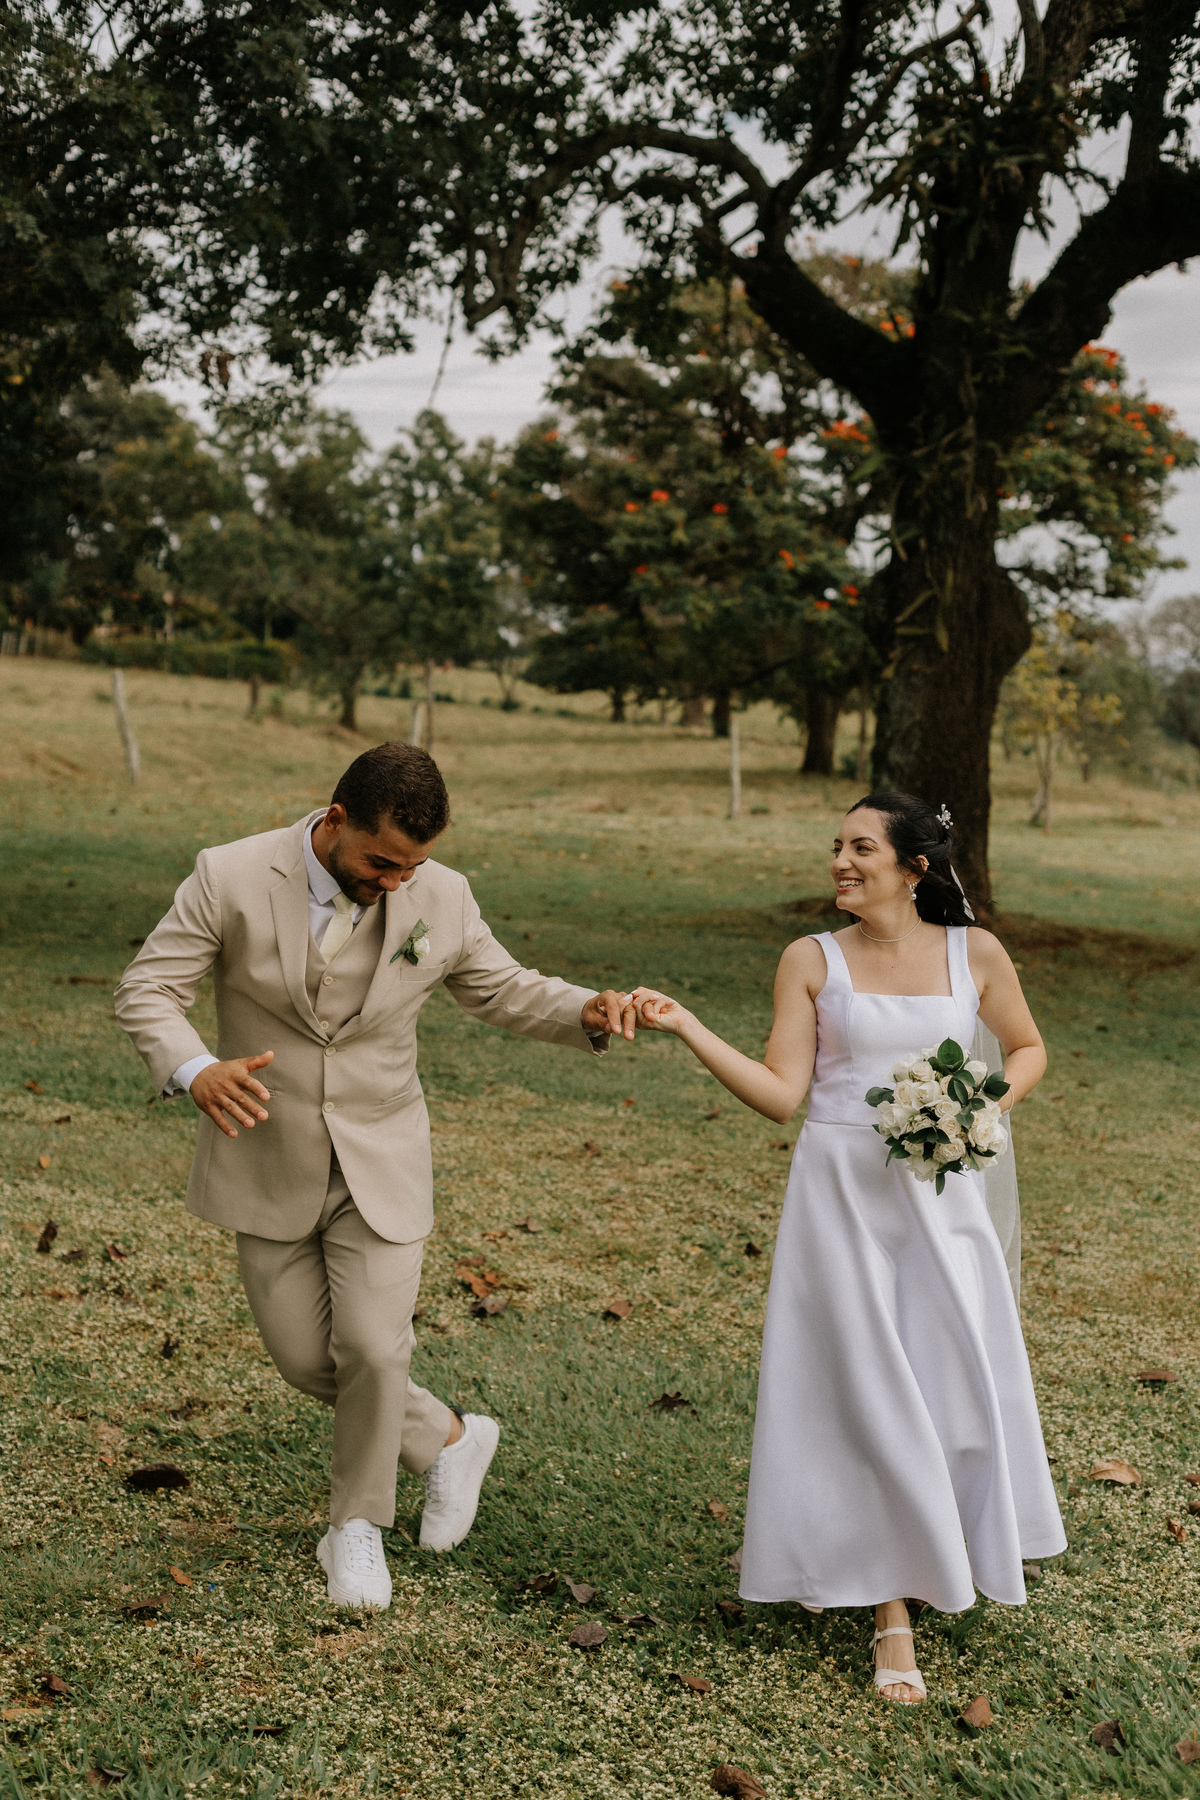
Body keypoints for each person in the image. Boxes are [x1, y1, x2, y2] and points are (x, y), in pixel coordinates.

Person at [115, 742, 635, 1610]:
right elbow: (147, 989)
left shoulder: (442, 895)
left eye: (412, 868)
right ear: (335, 820)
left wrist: (584, 1007)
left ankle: (355, 1528)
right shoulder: (229, 875)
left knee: (372, 1347)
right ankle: (448, 1437)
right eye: (381, 863)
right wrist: (196, 1068)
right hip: (266, 1155)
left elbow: (502, 989)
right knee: (306, 1359)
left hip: (383, 1157)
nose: (395, 882)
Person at [631, 792, 1066, 1705]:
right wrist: (687, 1026)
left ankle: (946, 1544)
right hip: (840, 1197)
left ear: (913, 868)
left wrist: (974, 1110)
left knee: (946, 1378)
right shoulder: (811, 959)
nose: (841, 861)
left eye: (861, 847)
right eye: (836, 845)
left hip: (940, 1196)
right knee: (868, 1389)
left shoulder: (975, 953)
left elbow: (1026, 1048)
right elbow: (781, 1094)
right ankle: (890, 1611)